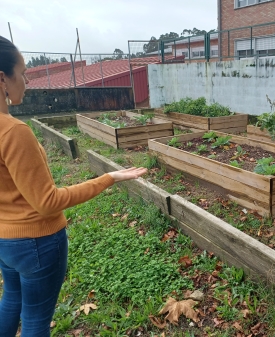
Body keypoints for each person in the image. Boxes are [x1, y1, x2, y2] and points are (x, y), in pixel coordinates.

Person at [0, 36, 148, 336]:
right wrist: (109, 178)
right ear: (2, 79)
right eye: (24, 73)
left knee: (11, 300)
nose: (27, 82)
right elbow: (47, 202)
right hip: (36, 243)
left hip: (5, 241)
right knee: (35, 321)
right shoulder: (15, 132)